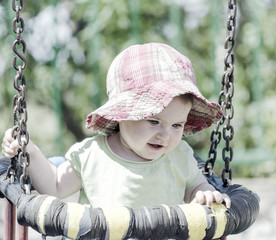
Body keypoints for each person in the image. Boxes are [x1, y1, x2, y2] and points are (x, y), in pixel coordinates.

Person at [1, 43, 231, 211]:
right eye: (153, 121)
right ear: (122, 115)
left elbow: (195, 187)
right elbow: (55, 185)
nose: (165, 135)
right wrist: (28, 148)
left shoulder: (180, 156)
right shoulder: (94, 155)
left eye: (177, 125)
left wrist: (203, 193)